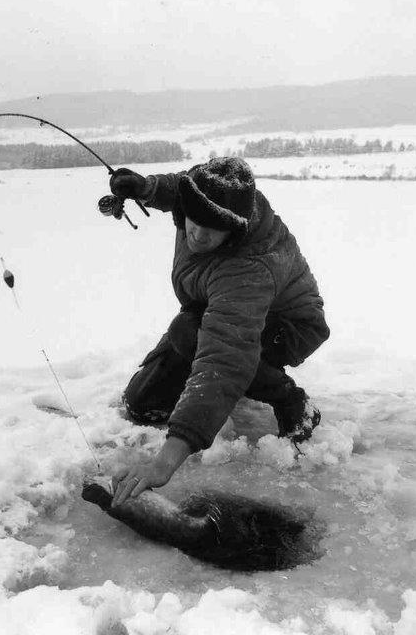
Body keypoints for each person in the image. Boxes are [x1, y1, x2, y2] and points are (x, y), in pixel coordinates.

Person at [108, 156, 330, 507]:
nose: (197, 234)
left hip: (289, 326)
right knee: (142, 404)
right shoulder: (201, 201)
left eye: (212, 230)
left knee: (191, 334)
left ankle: (290, 398)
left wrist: (166, 461)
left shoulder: (247, 268)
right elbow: (180, 186)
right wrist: (145, 188)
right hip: (214, 308)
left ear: (234, 229)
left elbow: (225, 356)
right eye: (193, 223)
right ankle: (222, 386)